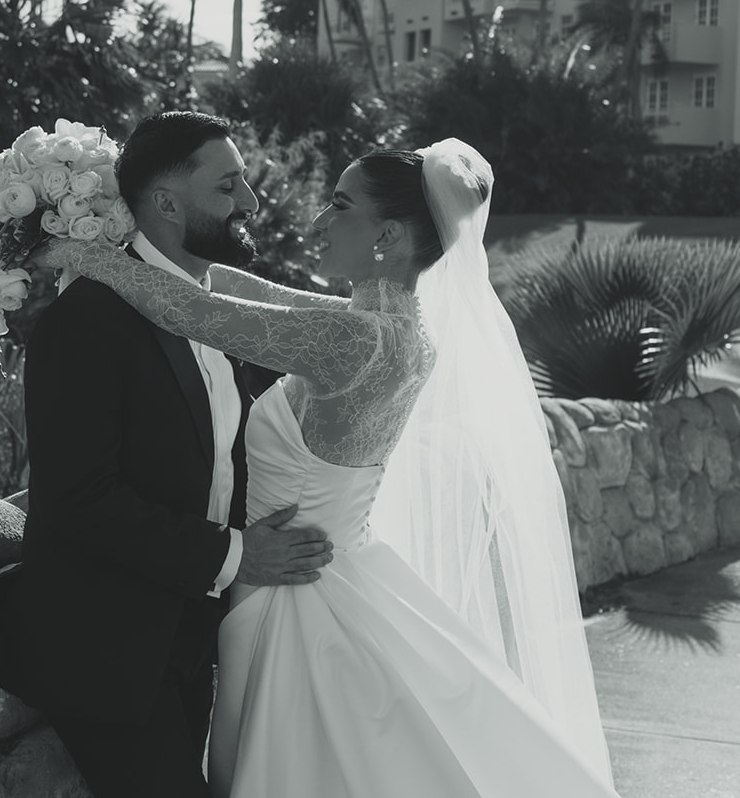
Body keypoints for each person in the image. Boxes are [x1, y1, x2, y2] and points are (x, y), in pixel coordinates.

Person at [58, 138, 620, 797]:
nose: (319, 221)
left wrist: (79, 251)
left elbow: (198, 313)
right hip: (340, 568)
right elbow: (249, 290)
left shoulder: (353, 339)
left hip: (296, 597)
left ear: (386, 233)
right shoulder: (396, 330)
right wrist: (129, 236)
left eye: (339, 204)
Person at [0, 111, 335, 798]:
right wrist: (236, 555)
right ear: (166, 203)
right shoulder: (89, 319)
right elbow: (77, 498)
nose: (251, 203)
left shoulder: (216, 312)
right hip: (105, 650)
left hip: (197, 635)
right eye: (228, 186)